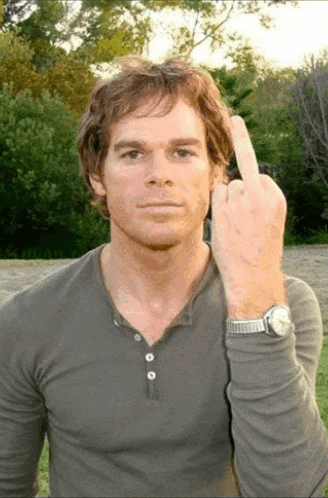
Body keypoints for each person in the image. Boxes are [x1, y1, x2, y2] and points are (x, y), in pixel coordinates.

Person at [0, 56, 327, 498]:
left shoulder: (282, 304)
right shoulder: (27, 320)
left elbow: (288, 488)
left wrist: (253, 297)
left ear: (216, 172)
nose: (159, 176)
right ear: (98, 176)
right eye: (133, 154)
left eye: (183, 152)